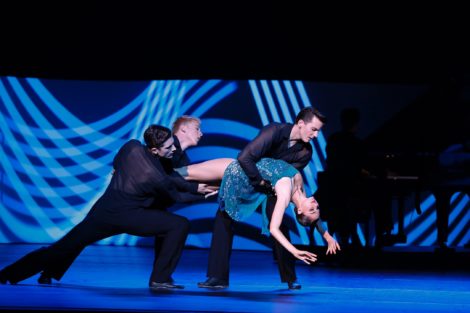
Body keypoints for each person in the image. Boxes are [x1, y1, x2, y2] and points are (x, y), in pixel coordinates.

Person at [0, 125, 216, 290]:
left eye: (173, 144)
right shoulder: (155, 178)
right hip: (130, 215)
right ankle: (160, 279)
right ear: (154, 150)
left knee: (69, 244)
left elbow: (120, 166)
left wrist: (194, 187)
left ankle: (20, 274)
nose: (174, 149)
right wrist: (201, 193)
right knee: (179, 225)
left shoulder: (131, 147)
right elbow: (175, 194)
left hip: (105, 209)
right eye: (169, 147)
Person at [197, 107, 340, 290]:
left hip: (272, 189)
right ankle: (217, 277)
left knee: (279, 224)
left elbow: (298, 195)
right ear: (301, 123)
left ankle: (290, 277)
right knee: (224, 216)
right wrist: (258, 183)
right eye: (314, 129)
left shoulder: (305, 152)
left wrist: (327, 236)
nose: (316, 134)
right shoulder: (274, 131)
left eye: (319, 131)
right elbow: (245, 158)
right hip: (251, 179)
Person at [176, 157, 338, 289]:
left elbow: (274, 228)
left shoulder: (284, 191)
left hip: (239, 177)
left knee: (186, 174)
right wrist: (327, 236)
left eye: (312, 209)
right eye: (316, 208)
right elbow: (314, 219)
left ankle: (156, 173)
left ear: (300, 211)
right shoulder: (301, 191)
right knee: (193, 179)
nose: (315, 205)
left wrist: (294, 250)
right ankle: (162, 178)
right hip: (249, 176)